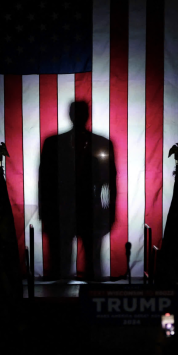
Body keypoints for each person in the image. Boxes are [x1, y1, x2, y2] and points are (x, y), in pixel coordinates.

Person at [39, 101, 117, 281]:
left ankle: (73, 304)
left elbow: (110, 181)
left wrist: (110, 212)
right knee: (63, 268)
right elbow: (45, 180)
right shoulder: (100, 143)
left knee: (89, 267)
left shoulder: (54, 143)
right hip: (68, 211)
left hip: (86, 211)